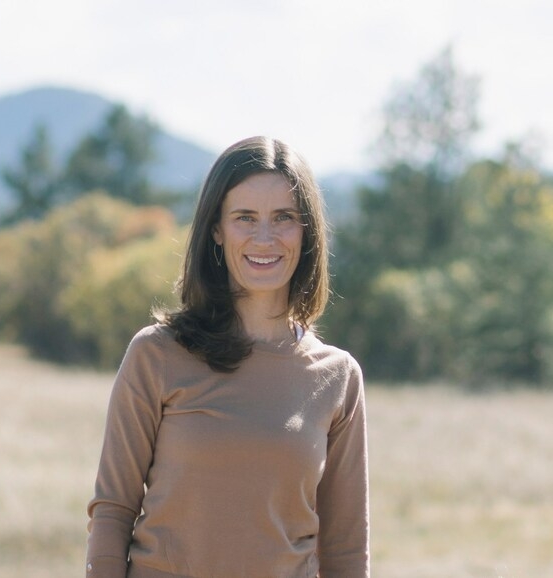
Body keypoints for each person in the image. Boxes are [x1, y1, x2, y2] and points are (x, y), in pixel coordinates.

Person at [86, 136, 370, 578]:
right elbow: (113, 510)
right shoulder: (157, 354)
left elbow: (345, 550)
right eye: (245, 218)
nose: (264, 237)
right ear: (216, 229)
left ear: (306, 231)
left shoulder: (338, 378)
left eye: (284, 218)